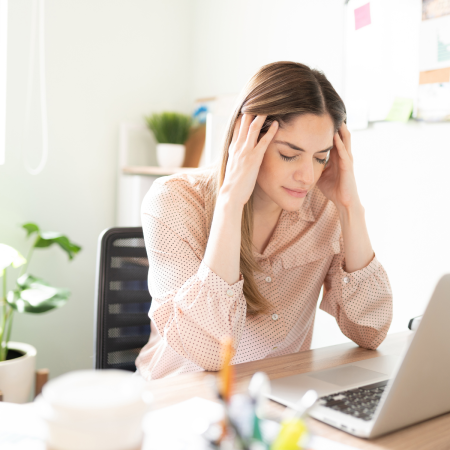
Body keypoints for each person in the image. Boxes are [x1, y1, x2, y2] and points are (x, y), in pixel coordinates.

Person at [135, 61, 393, 380]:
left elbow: (371, 331)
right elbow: (209, 353)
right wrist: (231, 203)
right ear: (247, 138)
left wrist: (350, 206)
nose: (307, 176)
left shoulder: (326, 209)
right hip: (180, 399)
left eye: (321, 157)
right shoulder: (174, 201)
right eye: (289, 154)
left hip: (274, 402)